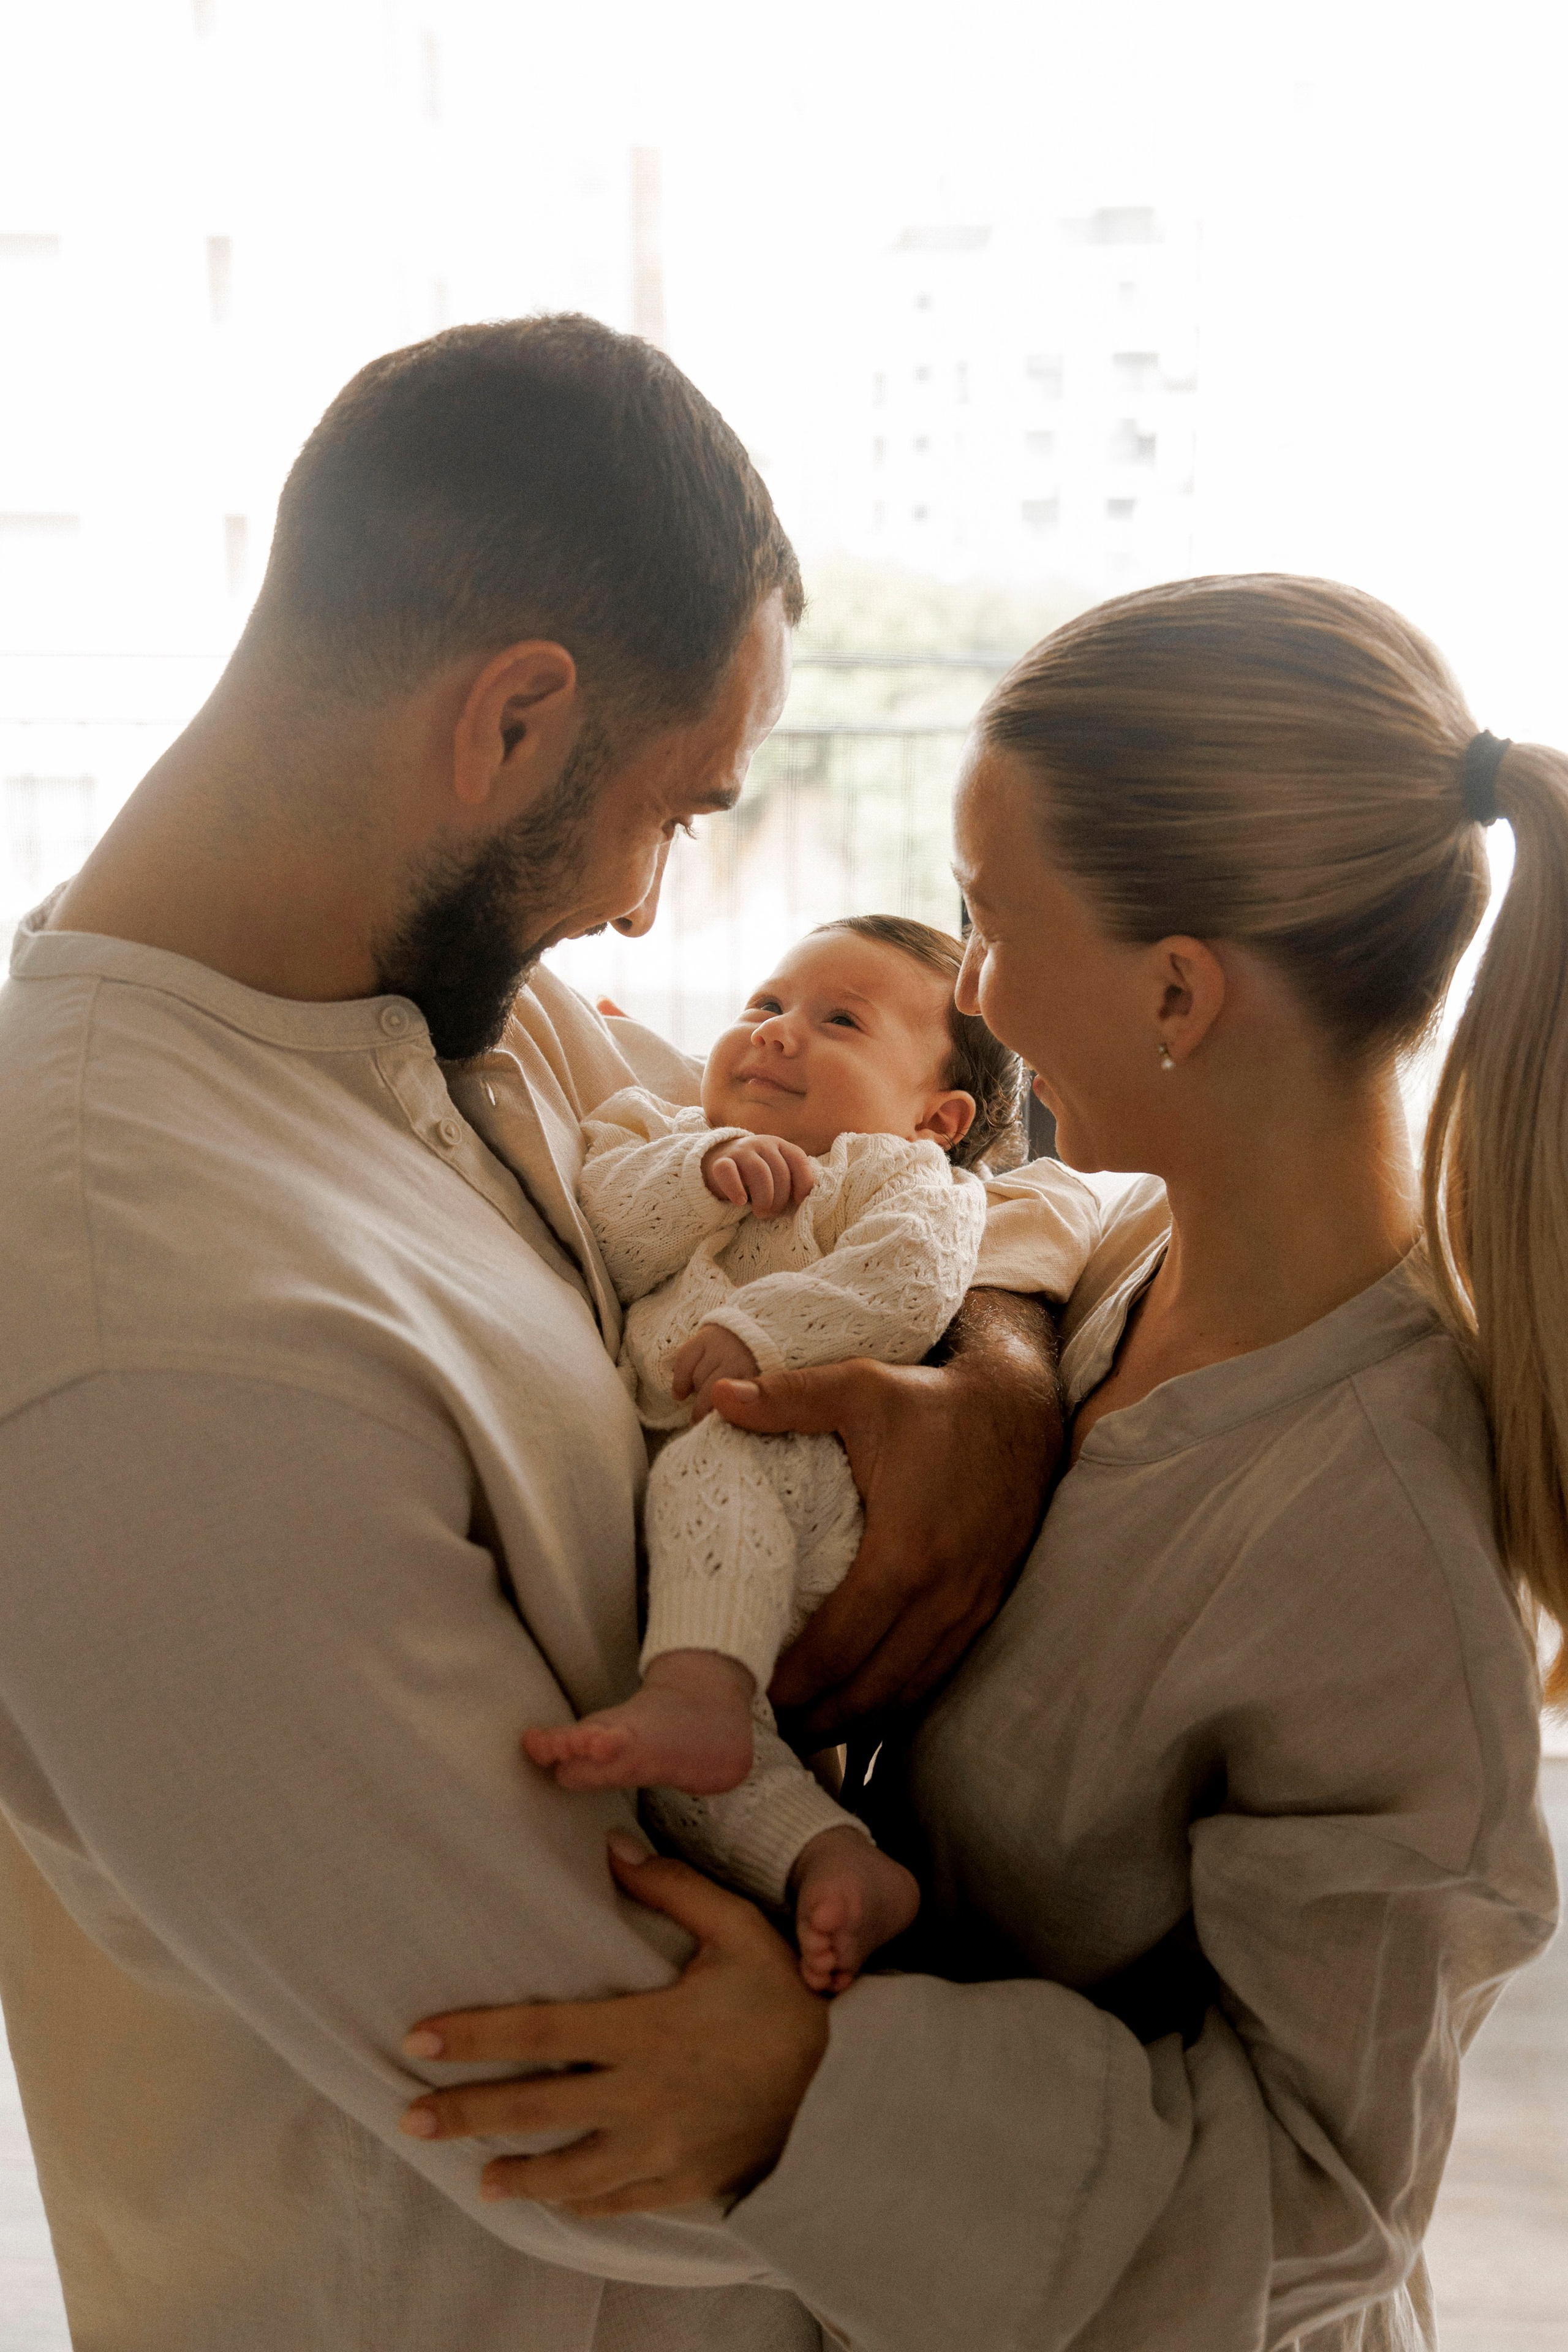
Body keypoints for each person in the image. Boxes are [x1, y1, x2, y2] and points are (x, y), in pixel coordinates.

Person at [0, 317, 1068, 2352]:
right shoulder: (143, 1327)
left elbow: (923, 1182)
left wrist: (990, 1378)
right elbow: (607, 2090)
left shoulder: (457, 1017)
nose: (655, 916)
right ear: (511, 721)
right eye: (671, 810)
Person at [399, 575, 1564, 2352]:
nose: (973, 985)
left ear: (1180, 992)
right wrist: (1006, 1378)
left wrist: (824, 2086)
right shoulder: (1133, 1258)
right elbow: (1020, 1218)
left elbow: (1322, 2204)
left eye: (989, 921)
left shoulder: (1384, 1542)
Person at [524, 916, 1096, 1992]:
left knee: (713, 1476)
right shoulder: (653, 1129)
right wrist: (705, 1170)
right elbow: (609, 1222)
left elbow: (907, 1287)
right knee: (687, 1770)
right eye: (765, 1005)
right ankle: (829, 1862)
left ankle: (699, 1700)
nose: (779, 1034)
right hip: (699, 1537)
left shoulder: (906, 1180)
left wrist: (768, 1335)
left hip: (806, 1473)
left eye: (839, 1021)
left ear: (937, 1116)